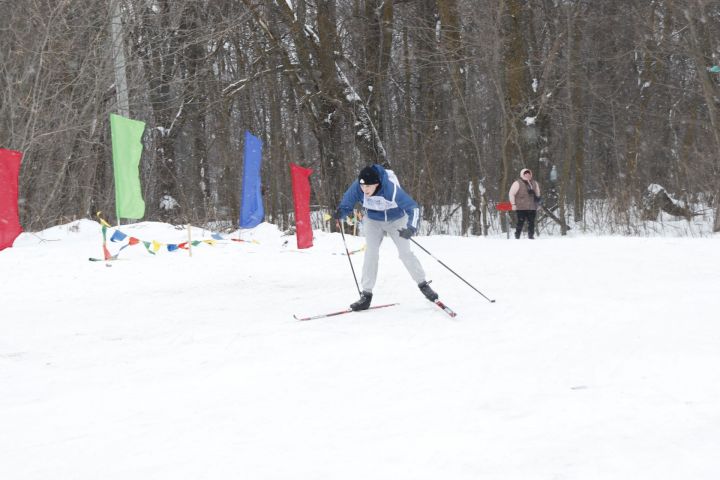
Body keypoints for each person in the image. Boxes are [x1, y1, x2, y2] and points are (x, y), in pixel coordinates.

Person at [335, 164, 439, 311]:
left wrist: (410, 228)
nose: (364, 190)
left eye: (368, 187)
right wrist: (342, 212)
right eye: (362, 187)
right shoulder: (358, 186)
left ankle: (423, 284)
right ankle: (366, 295)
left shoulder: (390, 189)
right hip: (372, 220)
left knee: (405, 253)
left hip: (396, 220)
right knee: (371, 253)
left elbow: (413, 208)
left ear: (377, 184)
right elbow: (347, 202)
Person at [509, 168, 541, 239]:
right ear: (522, 174)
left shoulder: (534, 183)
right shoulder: (517, 183)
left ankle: (531, 236)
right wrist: (513, 204)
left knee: (531, 223)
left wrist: (538, 204)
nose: (527, 175)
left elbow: (538, 194)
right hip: (521, 207)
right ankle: (517, 236)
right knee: (520, 223)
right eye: (525, 174)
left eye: (528, 173)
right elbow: (511, 194)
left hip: (532, 207)